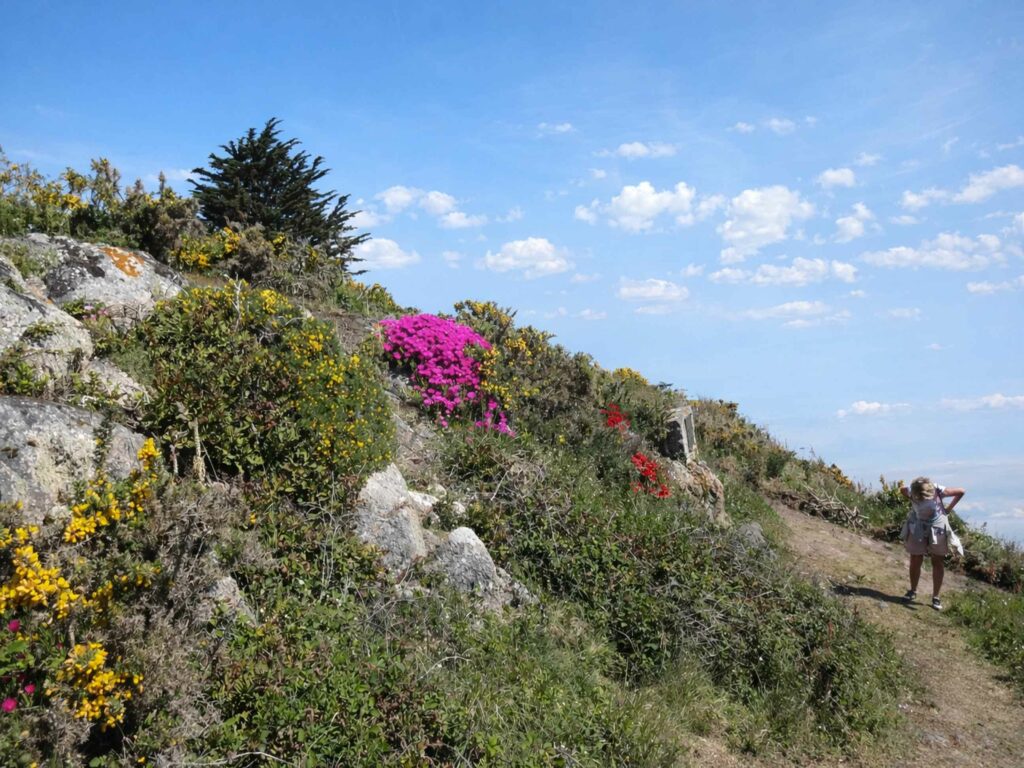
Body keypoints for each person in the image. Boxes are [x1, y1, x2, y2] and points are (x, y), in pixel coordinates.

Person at [899, 477, 964, 610]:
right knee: (915, 558)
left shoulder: (938, 490)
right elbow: (902, 490)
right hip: (918, 524)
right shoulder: (911, 489)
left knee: (937, 560)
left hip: (937, 526)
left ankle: (936, 597)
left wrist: (948, 509)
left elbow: (961, 491)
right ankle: (913, 590)